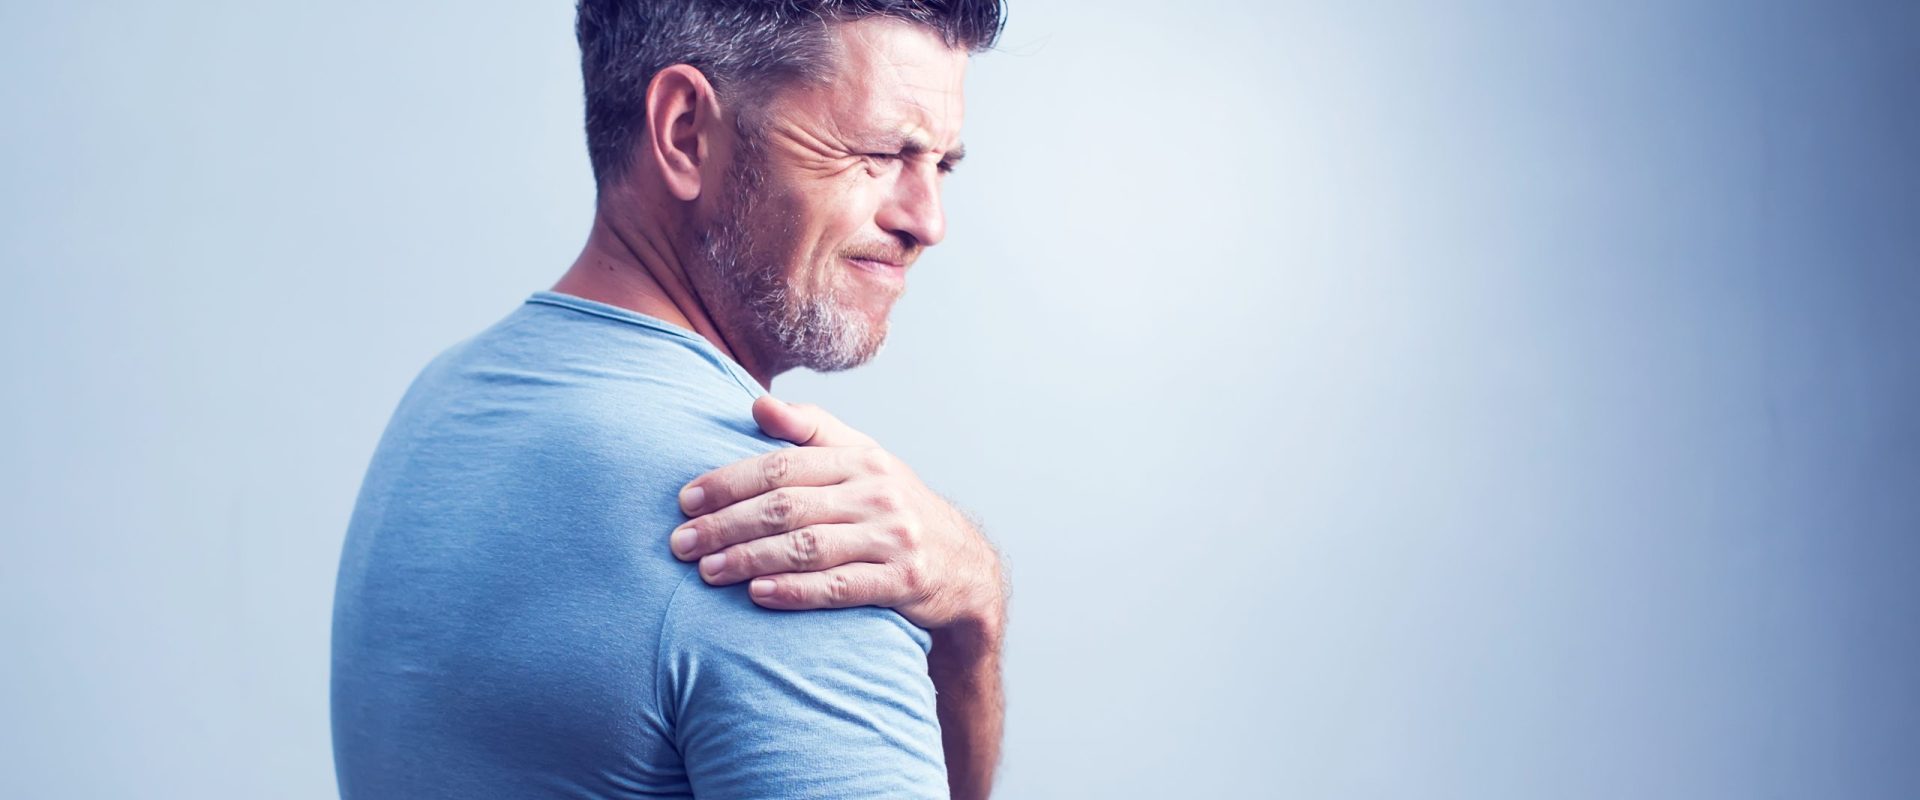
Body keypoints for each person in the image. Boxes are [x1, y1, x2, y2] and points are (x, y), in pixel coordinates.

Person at [330, 1, 1009, 798]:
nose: (927, 220)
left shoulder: (444, 403)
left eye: (943, 164)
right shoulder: (790, 536)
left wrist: (970, 609)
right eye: (879, 153)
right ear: (686, 133)